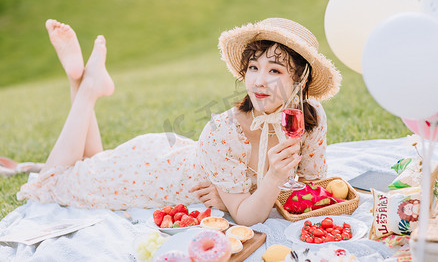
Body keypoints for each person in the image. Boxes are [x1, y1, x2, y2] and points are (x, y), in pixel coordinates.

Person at [17, 18, 341, 226]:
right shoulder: (224, 131)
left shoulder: (308, 119)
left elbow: (311, 187)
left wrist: (238, 194)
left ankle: (82, 81)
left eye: (275, 71)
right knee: (54, 181)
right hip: (151, 177)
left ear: (300, 80)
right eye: (254, 68)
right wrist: (261, 186)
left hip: (177, 163)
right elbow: (248, 218)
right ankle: (86, 90)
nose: (258, 81)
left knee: (91, 162)